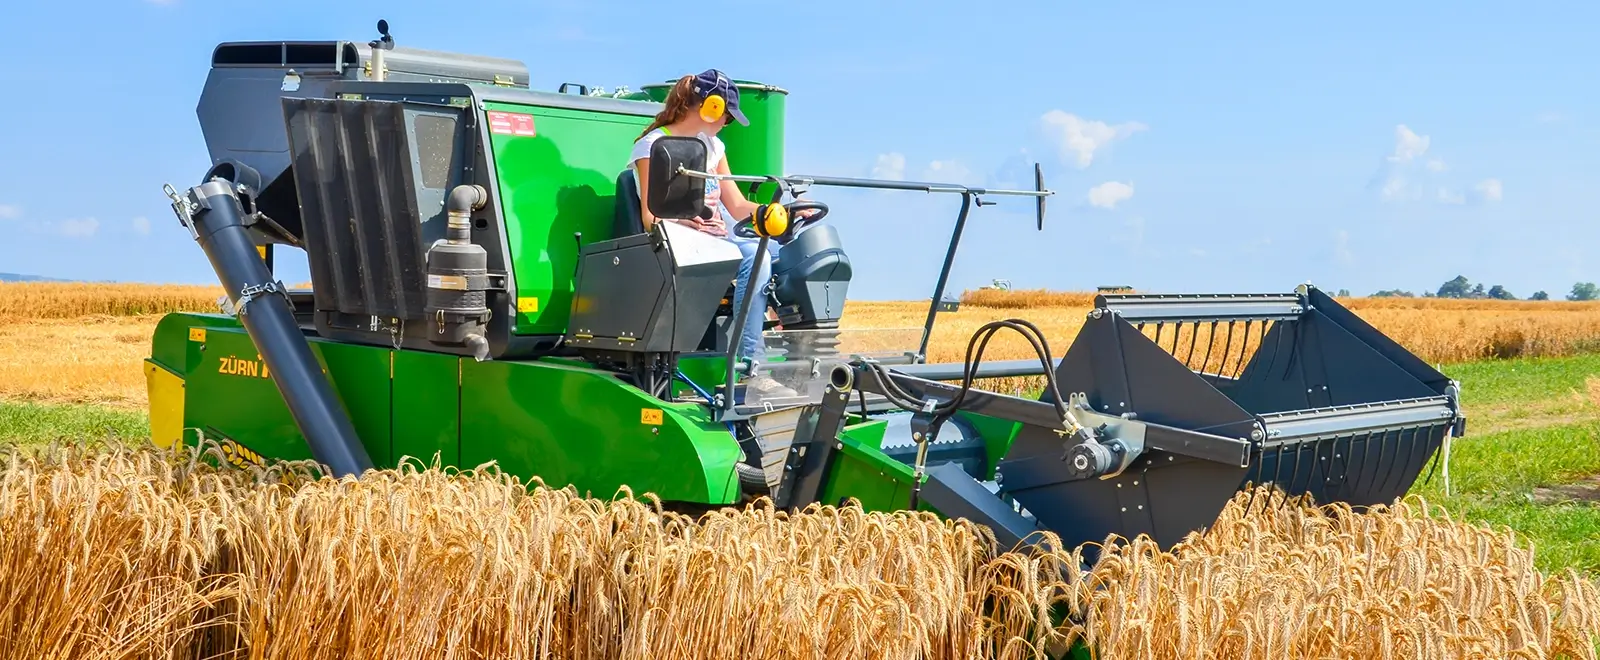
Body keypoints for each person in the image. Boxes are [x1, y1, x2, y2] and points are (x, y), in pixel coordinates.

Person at [629, 69, 808, 402]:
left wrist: (778, 214)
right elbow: (651, 217)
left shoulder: (713, 146)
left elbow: (737, 205)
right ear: (710, 108)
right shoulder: (654, 145)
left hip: (719, 241)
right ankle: (749, 369)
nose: (726, 124)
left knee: (801, 258)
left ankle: (806, 364)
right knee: (756, 258)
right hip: (678, 244)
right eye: (727, 117)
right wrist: (690, 224)